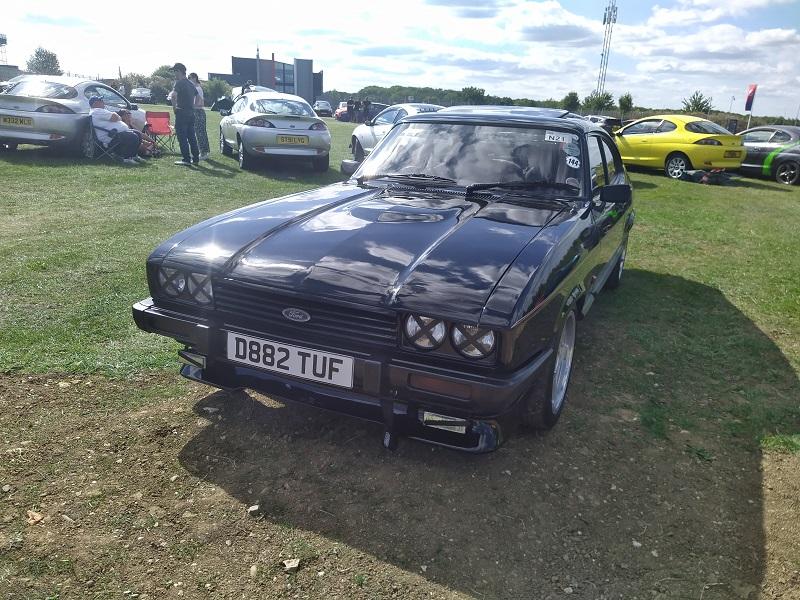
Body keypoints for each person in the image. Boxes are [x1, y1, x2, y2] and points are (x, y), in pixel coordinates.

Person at [88, 96, 143, 165]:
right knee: (133, 136)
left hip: (114, 134)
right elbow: (115, 117)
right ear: (95, 103)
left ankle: (134, 156)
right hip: (110, 137)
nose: (103, 102)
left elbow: (115, 117)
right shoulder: (97, 111)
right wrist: (116, 115)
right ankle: (127, 159)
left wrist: (116, 116)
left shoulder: (99, 111)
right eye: (101, 101)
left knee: (138, 134)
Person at [169, 62, 199, 166]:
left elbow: (173, 96)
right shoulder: (191, 84)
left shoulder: (179, 83)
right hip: (191, 113)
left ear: (179, 71)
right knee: (192, 137)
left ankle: (186, 159)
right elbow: (198, 98)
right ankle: (196, 158)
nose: (174, 74)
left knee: (182, 138)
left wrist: (174, 108)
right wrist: (192, 106)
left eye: (175, 71)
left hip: (181, 112)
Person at [188, 72, 210, 160]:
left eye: (190, 78)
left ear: (194, 78)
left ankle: (204, 152)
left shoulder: (198, 88)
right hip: (196, 112)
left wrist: (191, 105)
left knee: (200, 133)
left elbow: (201, 103)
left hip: (198, 112)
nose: (189, 80)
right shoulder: (195, 88)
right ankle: (202, 152)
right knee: (199, 133)